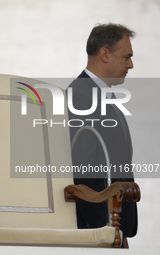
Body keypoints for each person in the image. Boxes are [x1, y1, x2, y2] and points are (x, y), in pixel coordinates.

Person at [66, 23, 137, 248]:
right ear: (104, 54)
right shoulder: (81, 96)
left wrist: (120, 230)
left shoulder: (104, 95)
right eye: (126, 57)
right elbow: (83, 170)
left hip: (113, 226)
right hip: (98, 231)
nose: (131, 65)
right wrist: (104, 232)